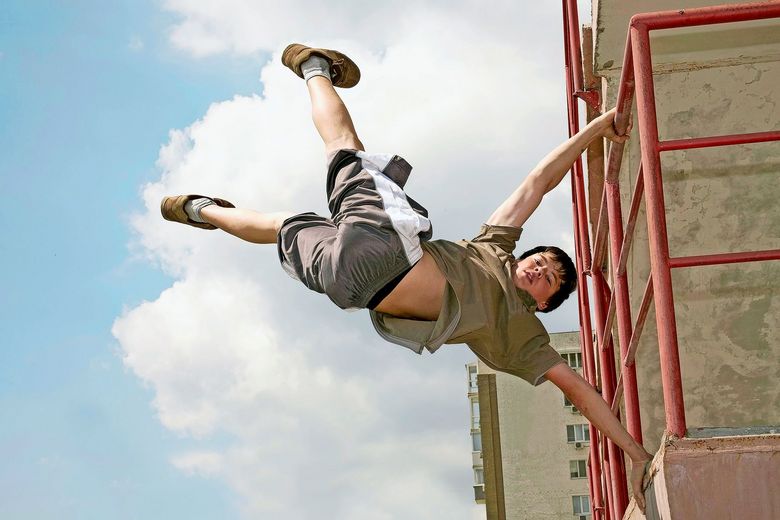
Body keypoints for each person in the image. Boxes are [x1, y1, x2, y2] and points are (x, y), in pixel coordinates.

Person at [161, 44, 652, 510]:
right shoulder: (492, 247)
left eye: (550, 279)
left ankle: (312, 66)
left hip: (371, 265)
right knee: (279, 222)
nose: (542, 268)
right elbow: (538, 182)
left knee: (342, 152)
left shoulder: (525, 340)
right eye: (541, 259)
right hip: (359, 284)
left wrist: (635, 455)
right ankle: (203, 210)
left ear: (543, 305)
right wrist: (599, 126)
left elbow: (583, 393)